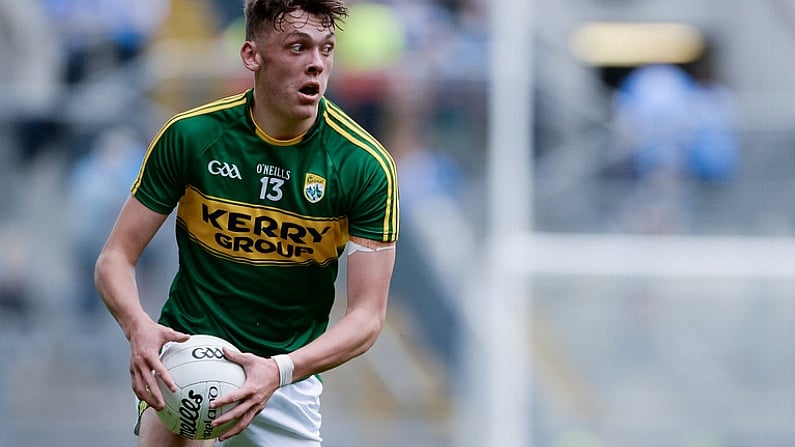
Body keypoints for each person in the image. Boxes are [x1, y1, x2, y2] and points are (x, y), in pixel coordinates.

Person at [94, 1, 399, 446]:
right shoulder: (191, 136)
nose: (316, 63)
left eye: (326, 48)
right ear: (252, 56)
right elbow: (115, 258)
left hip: (286, 376)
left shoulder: (364, 165)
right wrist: (137, 326)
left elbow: (367, 318)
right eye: (297, 47)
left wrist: (280, 369)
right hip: (188, 359)